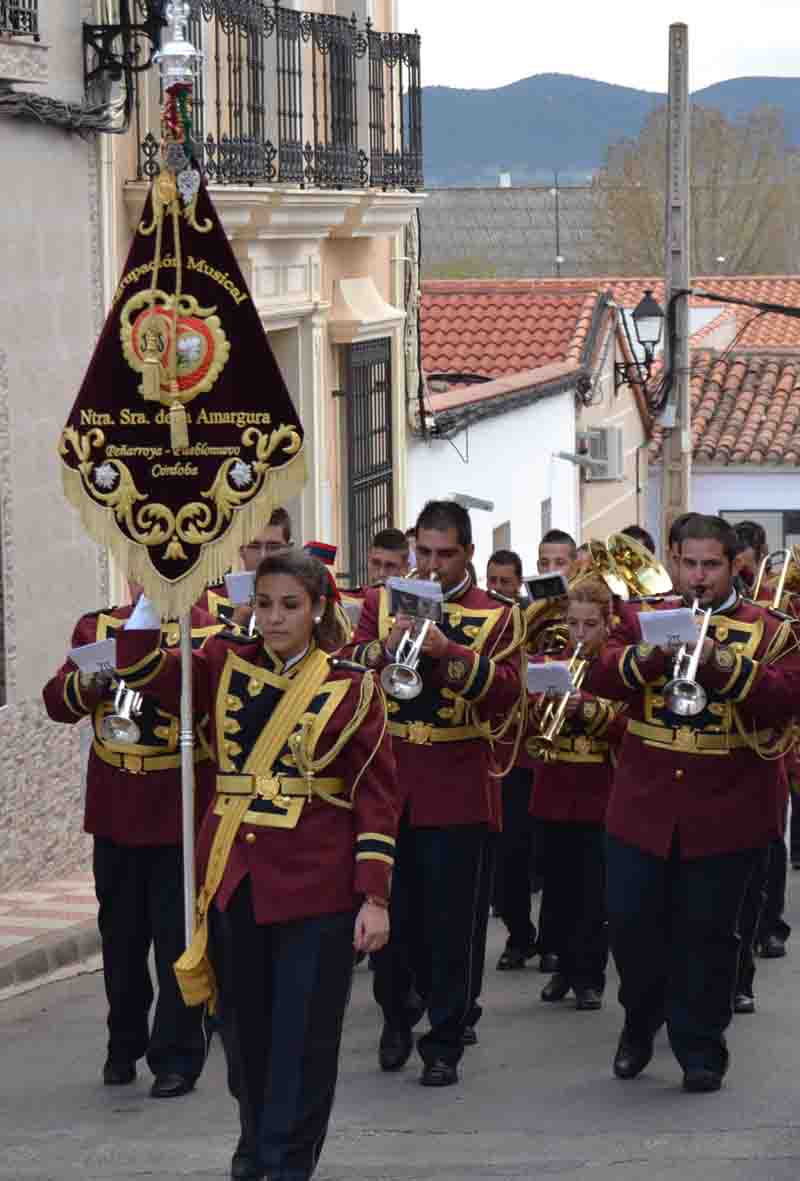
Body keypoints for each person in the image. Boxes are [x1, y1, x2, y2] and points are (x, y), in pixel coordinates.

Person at [115, 550, 400, 1181]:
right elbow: (137, 666)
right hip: (235, 882)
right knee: (244, 1040)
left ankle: (284, 1164)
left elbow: (376, 801)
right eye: (264, 603)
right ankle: (255, 1149)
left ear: (318, 609)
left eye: (290, 606)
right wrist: (150, 592)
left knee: (304, 1043)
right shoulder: (222, 664)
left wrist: (373, 898)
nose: (274, 618)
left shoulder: (352, 687)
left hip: (318, 891)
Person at [583, 514, 800, 1093]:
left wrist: (720, 662)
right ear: (674, 561)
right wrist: (657, 656)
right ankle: (639, 1019)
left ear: (733, 568)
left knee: (708, 935)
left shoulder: (771, 628)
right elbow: (602, 675)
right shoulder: (642, 615)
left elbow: (787, 698)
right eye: (689, 563)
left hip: (726, 809)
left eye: (711, 566)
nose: (698, 577)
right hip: (641, 806)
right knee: (631, 927)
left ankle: (701, 1046)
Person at [347, 500, 524, 1086]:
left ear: (468, 555)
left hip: (456, 783)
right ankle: (397, 1015)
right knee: (391, 918)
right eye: (423, 553)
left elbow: (505, 696)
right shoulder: (381, 601)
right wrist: (382, 648)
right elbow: (349, 664)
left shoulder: (496, 616)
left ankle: (445, 1038)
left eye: (444, 555)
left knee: (452, 925)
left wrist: (450, 654)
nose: (431, 565)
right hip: (390, 778)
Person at [42, 594, 223, 1097]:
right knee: (120, 942)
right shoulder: (98, 625)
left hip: (177, 811)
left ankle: (178, 1057)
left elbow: (208, 703)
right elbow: (56, 701)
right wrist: (89, 683)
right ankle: (123, 1041)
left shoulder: (208, 633)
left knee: (175, 940)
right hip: (116, 808)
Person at [527, 578, 624, 1010]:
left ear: (607, 624)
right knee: (559, 888)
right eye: (573, 623)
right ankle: (564, 969)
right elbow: (527, 722)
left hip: (601, 790)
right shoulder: (555, 662)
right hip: (555, 786)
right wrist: (539, 705)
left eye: (589, 624)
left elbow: (626, 725)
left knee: (593, 892)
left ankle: (591, 976)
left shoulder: (618, 667)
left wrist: (584, 708)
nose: (580, 633)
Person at [485, 550, 538, 972]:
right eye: (493, 580)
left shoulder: (532, 619)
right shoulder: (485, 621)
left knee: (531, 853)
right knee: (506, 855)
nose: (498, 588)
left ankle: (537, 938)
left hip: (529, 752)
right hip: (494, 752)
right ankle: (519, 935)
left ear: (519, 584)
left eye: (505, 581)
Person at [199, 507, 293, 625]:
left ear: (289, 549)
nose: (263, 556)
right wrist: (236, 623)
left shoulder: (305, 597)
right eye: (254, 546)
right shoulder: (208, 603)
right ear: (241, 550)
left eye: (273, 547)